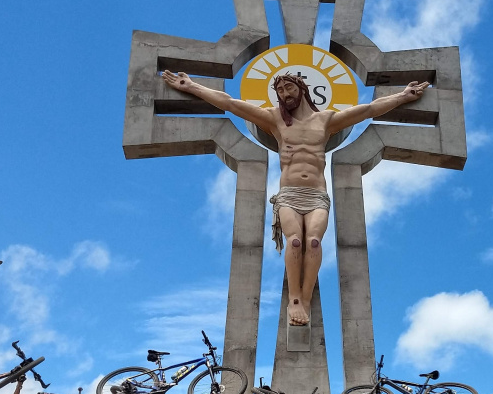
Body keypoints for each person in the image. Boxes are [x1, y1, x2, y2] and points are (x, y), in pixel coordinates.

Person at [162, 70, 430, 326]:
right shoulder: (274, 120)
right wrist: (192, 86)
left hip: (317, 194)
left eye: (289, 87)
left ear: (302, 89)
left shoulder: (326, 120)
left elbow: (368, 110)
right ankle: (294, 300)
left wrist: (404, 96)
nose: (285, 93)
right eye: (279, 90)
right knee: (296, 241)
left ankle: (305, 299)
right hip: (289, 194)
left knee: (313, 243)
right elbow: (231, 104)